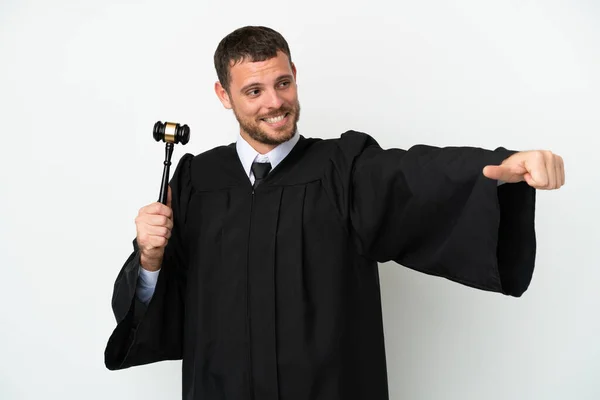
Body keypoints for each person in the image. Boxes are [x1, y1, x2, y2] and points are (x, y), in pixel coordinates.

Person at [104, 26, 565, 400]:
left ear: (295, 76)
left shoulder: (343, 167)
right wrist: (149, 257)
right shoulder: (194, 180)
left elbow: (414, 175)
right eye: (254, 90)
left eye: (283, 83)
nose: (275, 102)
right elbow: (159, 305)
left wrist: (504, 167)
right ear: (224, 95)